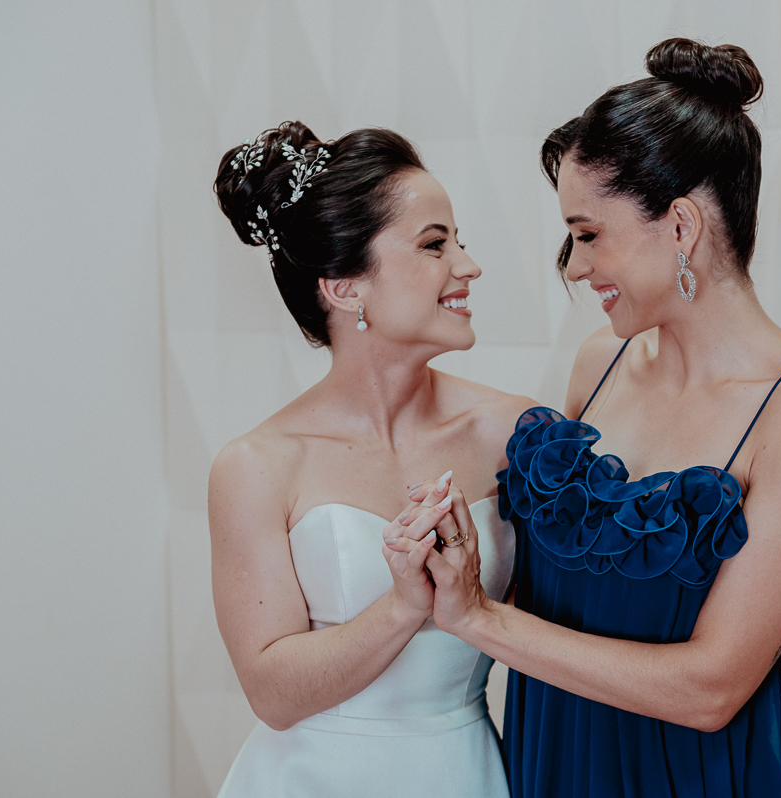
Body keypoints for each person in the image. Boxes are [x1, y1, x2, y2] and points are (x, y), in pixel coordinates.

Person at [390, 38, 781, 797]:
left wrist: (479, 619)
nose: (576, 268)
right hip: (550, 764)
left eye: (588, 235)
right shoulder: (598, 366)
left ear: (680, 226)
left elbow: (709, 690)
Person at [208, 121, 532, 797]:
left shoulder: (516, 435)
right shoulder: (257, 467)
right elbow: (272, 693)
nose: (467, 267)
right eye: (434, 246)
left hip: (464, 771)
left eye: (459, 243)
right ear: (345, 287)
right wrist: (403, 606)